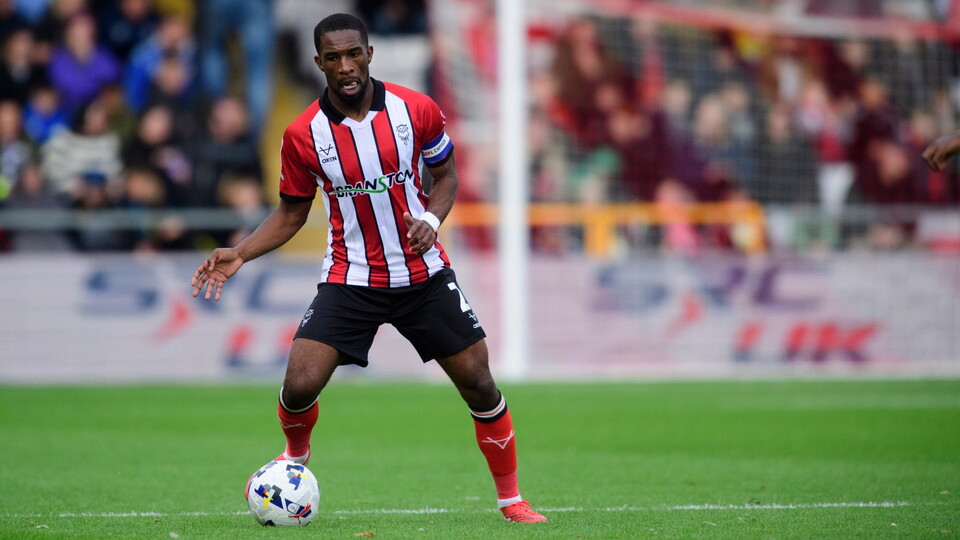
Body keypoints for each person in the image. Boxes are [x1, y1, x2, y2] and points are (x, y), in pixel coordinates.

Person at [190, 13, 547, 524]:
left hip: (423, 275)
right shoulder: (302, 134)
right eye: (332, 58)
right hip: (351, 277)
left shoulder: (416, 108)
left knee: (480, 383)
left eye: (353, 53)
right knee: (299, 384)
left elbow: (445, 177)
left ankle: (511, 500)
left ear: (369, 53)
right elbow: (293, 211)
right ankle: (294, 461)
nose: (346, 65)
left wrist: (429, 217)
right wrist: (241, 252)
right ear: (318, 64)